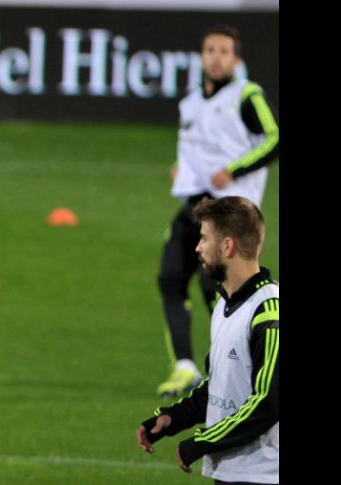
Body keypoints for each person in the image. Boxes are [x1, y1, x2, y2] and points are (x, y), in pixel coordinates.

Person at [156, 24, 279, 397]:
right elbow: (195, 147)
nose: (216, 57)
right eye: (210, 50)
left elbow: (275, 138)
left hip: (231, 213)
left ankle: (239, 369)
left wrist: (235, 170)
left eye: (224, 51)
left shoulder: (246, 95)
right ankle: (184, 367)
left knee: (221, 289)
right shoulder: (191, 101)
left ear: (236, 60)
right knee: (170, 278)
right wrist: (181, 168)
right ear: (202, 56)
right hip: (195, 206)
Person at [137, 196, 279, 484]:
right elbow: (219, 384)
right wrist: (172, 419)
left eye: (204, 239)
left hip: (264, 474)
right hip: (233, 469)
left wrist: (202, 442)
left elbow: (269, 401)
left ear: (227, 246)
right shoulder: (223, 304)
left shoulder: (268, 311)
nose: (197, 248)